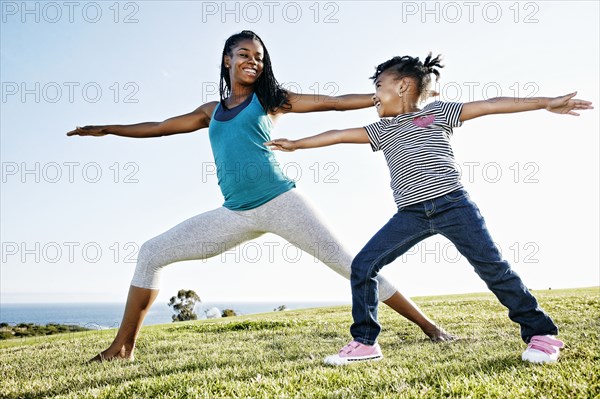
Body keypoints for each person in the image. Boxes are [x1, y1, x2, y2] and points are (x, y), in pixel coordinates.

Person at [67, 32, 453, 362]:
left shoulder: (269, 99)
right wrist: (106, 128)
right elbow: (161, 127)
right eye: (244, 55)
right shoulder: (210, 111)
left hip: (281, 203)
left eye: (259, 58)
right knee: (151, 252)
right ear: (227, 60)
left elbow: (330, 102)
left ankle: (430, 327)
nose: (253, 62)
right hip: (235, 214)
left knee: (350, 264)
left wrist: (382, 99)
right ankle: (122, 347)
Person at [265, 53, 593, 365]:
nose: (374, 95)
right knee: (364, 266)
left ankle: (541, 334)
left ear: (403, 86)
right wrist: (297, 144)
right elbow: (337, 134)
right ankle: (365, 343)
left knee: (493, 269)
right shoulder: (380, 130)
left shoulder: (436, 113)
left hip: (453, 204)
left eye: (379, 87)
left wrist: (545, 102)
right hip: (411, 214)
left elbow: (491, 105)